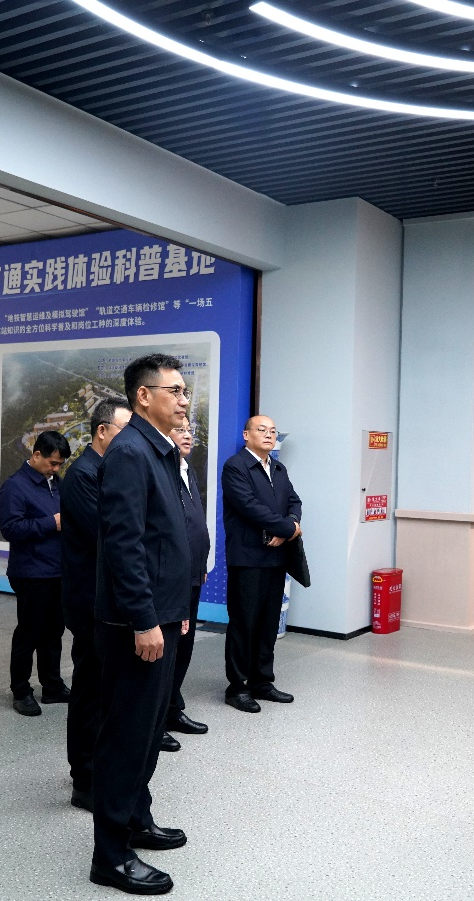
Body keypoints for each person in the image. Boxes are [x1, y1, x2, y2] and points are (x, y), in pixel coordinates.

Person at [89, 353, 192, 895]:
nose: (183, 400)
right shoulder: (131, 452)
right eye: (174, 391)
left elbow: (164, 539)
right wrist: (145, 619)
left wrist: (174, 611)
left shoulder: (160, 449)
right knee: (127, 737)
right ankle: (110, 856)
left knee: (150, 731)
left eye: (185, 391)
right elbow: (125, 545)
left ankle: (136, 818)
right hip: (138, 622)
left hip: (162, 614)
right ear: (144, 396)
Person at [59, 397, 132, 812]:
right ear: (102, 431)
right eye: (125, 430)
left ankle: (98, 766)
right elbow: (106, 535)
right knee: (89, 690)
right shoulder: (83, 475)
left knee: (104, 688)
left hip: (106, 600)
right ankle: (83, 779)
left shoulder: (106, 470)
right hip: (89, 600)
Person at [221, 414, 302, 712]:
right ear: (246, 434)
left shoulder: (278, 468)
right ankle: (238, 687)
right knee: (244, 622)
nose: (269, 435)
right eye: (262, 429)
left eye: (273, 431)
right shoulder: (236, 466)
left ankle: (262, 681)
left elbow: (294, 501)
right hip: (248, 557)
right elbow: (249, 507)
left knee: (268, 622)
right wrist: (288, 528)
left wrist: (290, 523)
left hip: (276, 557)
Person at [0, 430, 72, 716]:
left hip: (57, 570)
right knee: (29, 632)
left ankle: (52, 686)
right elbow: (11, 529)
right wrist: (51, 523)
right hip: (31, 572)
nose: (56, 469)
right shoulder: (15, 486)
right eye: (52, 463)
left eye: (60, 465)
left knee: (54, 631)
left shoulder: (57, 483)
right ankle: (21, 691)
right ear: (36, 454)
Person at [164, 422, 212, 748]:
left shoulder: (187, 470)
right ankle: (154, 721)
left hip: (193, 572)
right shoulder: (162, 472)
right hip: (172, 576)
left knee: (185, 645)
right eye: (179, 429)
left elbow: (195, 521)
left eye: (189, 430)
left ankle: (172, 708)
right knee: (167, 650)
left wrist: (200, 563)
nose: (187, 435)